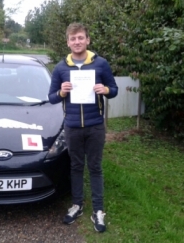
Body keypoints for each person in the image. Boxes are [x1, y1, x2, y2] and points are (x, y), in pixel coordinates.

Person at [48, 22, 118, 233]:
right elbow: (51, 98)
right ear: (68, 42)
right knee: (76, 167)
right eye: (73, 38)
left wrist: (104, 89)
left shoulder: (101, 64)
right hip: (72, 126)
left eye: (80, 38)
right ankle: (77, 205)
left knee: (95, 168)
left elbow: (113, 89)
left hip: (95, 125)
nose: (77, 42)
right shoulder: (61, 68)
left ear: (88, 40)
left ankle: (98, 210)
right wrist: (61, 92)